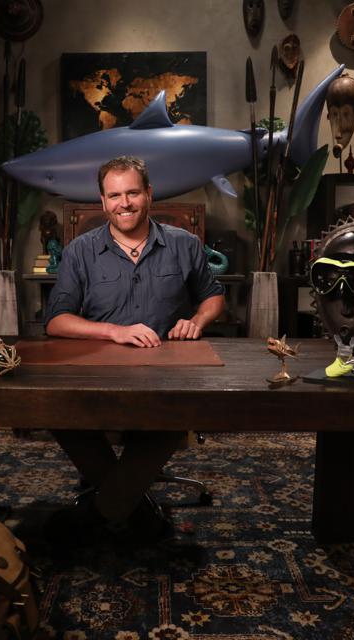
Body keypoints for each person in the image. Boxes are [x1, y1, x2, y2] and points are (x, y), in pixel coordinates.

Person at [43, 155, 225, 544]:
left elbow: (213, 298)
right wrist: (114, 331)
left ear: (148, 194)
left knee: (173, 417)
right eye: (114, 195)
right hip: (98, 376)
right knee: (59, 413)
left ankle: (98, 512)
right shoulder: (80, 251)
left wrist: (198, 321)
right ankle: (136, 511)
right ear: (103, 201)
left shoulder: (184, 244)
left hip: (166, 377)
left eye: (132, 193)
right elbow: (56, 321)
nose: (123, 203)